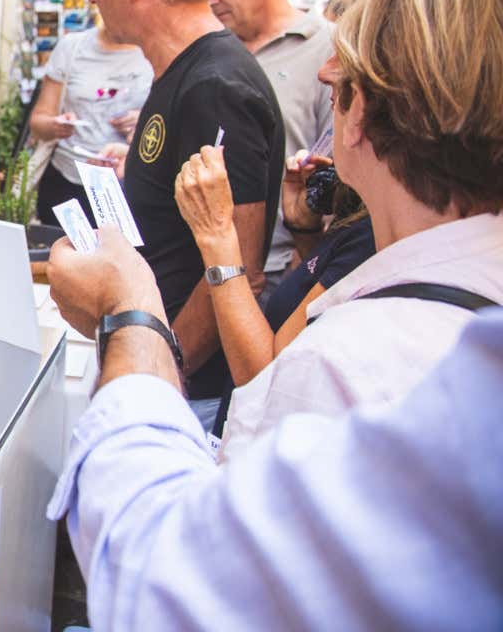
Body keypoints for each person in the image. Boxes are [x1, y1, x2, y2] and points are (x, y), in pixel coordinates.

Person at [45, 224, 503, 630]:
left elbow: (177, 577)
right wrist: (304, 226)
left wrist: (131, 307)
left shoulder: (342, 355)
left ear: (358, 124)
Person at [219, 0, 503, 460]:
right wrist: (306, 230)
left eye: (340, 79)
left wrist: (136, 326)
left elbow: (219, 532)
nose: (325, 74)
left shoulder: (339, 366)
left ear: (360, 116)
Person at [79, 0, 284, 433]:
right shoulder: (182, 72)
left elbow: (240, 268)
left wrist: (161, 373)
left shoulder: (214, 85)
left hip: (183, 396)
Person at [172, 143, 374, 387]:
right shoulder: (365, 217)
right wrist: (304, 230)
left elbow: (265, 382)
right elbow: (325, 302)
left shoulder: (373, 235)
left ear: (358, 119)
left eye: (338, 104)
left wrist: (215, 233)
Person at [209, 0, 334, 297]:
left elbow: (339, 169)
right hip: (210, 263)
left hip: (281, 273)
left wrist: (307, 259)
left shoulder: (327, 50)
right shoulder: (214, 47)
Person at [27, 20, 153, 226]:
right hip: (67, 181)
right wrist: (56, 125)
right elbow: (38, 121)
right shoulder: (73, 47)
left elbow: (175, 121)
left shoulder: (155, 49)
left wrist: (144, 121)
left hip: (127, 186)